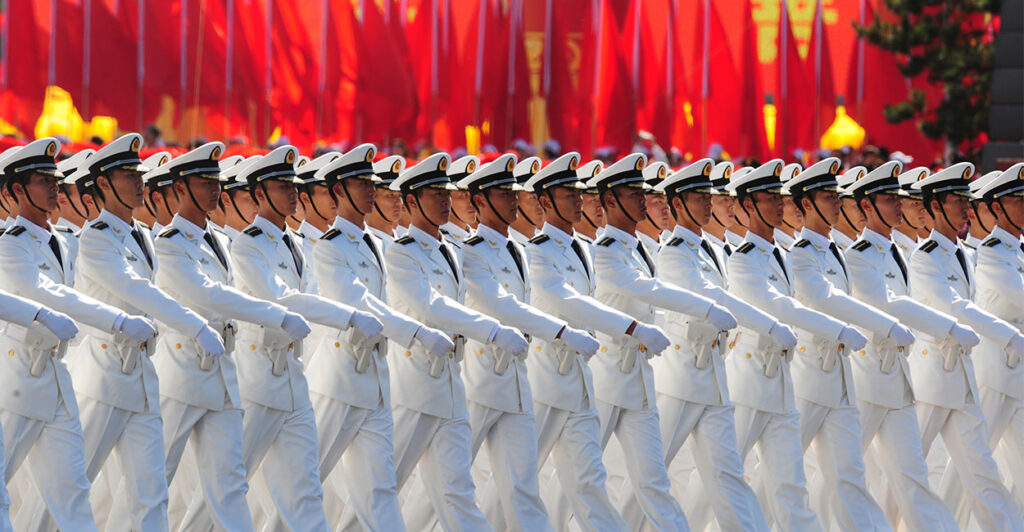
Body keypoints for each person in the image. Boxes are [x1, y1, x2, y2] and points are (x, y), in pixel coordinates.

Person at [64, 133, 226, 531]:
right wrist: (195, 325)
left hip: (141, 376)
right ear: (102, 184)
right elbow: (139, 291)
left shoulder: (142, 235)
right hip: (102, 375)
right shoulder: (96, 239)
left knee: (149, 491)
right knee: (71, 484)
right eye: (126, 175)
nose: (139, 182)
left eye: (139, 174)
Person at [633, 158, 798, 531]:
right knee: (649, 474)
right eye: (698, 196)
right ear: (677, 204)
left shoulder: (711, 247)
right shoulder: (675, 250)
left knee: (728, 475)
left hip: (713, 376)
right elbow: (710, 296)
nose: (708, 202)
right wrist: (769, 324)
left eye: (709, 195)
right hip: (680, 378)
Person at [0, 138, 155, 531]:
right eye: (41, 181)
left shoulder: (61, 243)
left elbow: (68, 295)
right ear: (17, 191)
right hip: (16, 382)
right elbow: (41, 289)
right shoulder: (10, 245)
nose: (54, 188)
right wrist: (117, 321)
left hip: (55, 378)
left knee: (72, 494)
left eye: (55, 180)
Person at [152, 142, 307, 531]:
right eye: (205, 182)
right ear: (181, 189)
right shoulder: (170, 243)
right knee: (155, 481)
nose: (215, 189)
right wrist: (277, 314)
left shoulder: (220, 240)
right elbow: (208, 293)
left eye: (217, 181)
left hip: (222, 377)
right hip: (182, 375)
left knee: (230, 486)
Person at [587, 153, 736, 530]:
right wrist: (707, 308)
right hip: (606, 378)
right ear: (610, 200)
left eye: (643, 191)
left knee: (653, 482)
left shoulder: (642, 248)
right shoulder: (603, 250)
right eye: (632, 192)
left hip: (640, 379)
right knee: (582, 478)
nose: (642, 198)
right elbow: (645, 288)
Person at [309, 144, 454, 531]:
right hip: (338, 380)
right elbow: (359, 301)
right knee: (307, 483)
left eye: (372, 183)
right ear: (338, 191)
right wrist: (418, 332)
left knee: (380, 490)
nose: (372, 191)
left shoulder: (376, 243)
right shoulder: (328, 246)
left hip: (375, 380)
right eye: (361, 184)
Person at [384, 153, 528, 530]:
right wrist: (492, 329)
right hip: (413, 384)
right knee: (386, 487)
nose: (446, 201)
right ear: (412, 201)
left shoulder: (452, 249)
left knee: (457, 491)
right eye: (435, 194)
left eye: (447, 193)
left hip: (450, 382)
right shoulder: (401, 253)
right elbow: (430, 305)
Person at [724, 159, 861, 532]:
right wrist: (838, 330)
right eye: (770, 198)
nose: (779, 205)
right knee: (725, 474)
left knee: (790, 485)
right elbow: (779, 305)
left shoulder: (783, 255)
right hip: (750, 378)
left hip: (783, 381)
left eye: (780, 197)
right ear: (749, 205)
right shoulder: (743, 260)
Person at [524, 151, 654, 531]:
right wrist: (631, 328)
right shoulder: (538, 250)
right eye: (568, 195)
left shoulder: (584, 248)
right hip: (546, 379)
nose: (579, 200)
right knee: (519, 477)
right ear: (545, 201)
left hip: (580, 381)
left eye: (579, 193)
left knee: (588, 483)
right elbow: (564, 298)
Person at [784, 157, 912, 530]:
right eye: (828, 196)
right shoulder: (800, 253)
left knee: (850, 476)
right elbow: (824, 298)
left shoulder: (836, 251)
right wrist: (885, 325)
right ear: (806, 204)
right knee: (782, 474)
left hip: (840, 379)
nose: (838, 203)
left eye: (837, 196)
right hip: (809, 377)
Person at [844, 160, 969, 530]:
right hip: (867, 377)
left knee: (912, 474)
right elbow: (885, 303)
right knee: (844, 470)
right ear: (866, 206)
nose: (899, 205)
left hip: (897, 379)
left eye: (900, 198)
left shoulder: (897, 252)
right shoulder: (858, 255)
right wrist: (948, 326)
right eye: (888, 199)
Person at [908, 162, 1024, 531]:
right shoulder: (925, 256)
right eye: (957, 199)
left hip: (970, 375)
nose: (965, 206)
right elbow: (956, 307)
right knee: (909, 468)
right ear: (937, 206)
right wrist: (1008, 334)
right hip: (936, 376)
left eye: (965, 198)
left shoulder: (966, 254)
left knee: (981, 471)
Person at [365, 155, 407, 247]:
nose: (398, 202)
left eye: (400, 195)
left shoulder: (407, 244)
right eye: (390, 195)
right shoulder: (365, 244)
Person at [441, 155, 479, 248]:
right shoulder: (439, 240)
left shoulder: (480, 239)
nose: (472, 202)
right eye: (463, 195)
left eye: (473, 194)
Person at [510, 156, 544, 244]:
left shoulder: (548, 243)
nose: (540, 203)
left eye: (541, 196)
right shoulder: (506, 244)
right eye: (533, 197)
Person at [573, 160, 605, 246]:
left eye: (601, 199)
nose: (600, 206)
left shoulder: (608, 245)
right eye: (593, 200)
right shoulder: (572, 246)